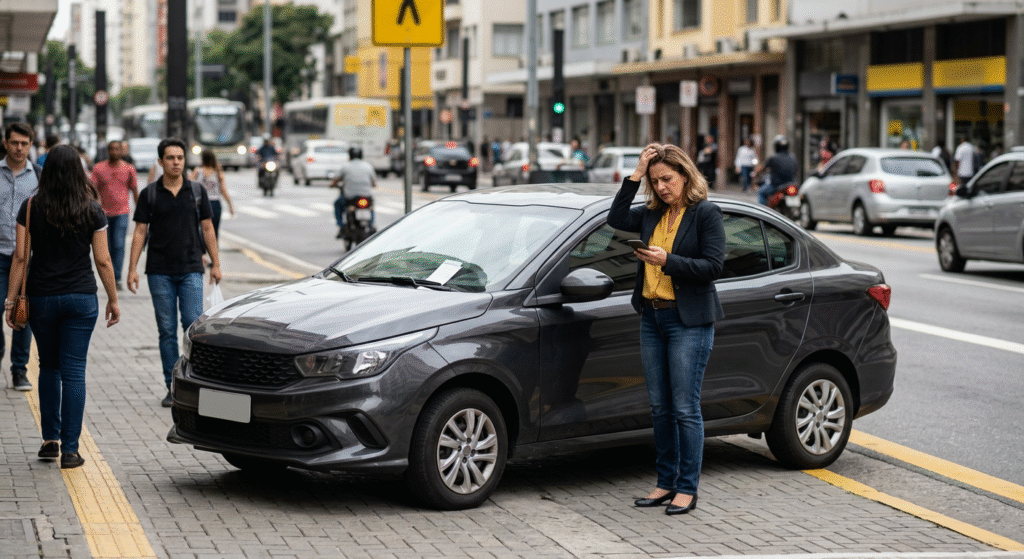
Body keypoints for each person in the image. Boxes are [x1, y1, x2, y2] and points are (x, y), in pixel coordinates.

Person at [606, 143, 725, 516]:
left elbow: (713, 266)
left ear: (686, 176)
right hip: (652, 317)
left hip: (687, 321)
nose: (660, 187)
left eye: (667, 179)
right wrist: (637, 172)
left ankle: (687, 489)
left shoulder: (706, 213)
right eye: (655, 181)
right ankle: (665, 482)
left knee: (685, 408)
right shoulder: (650, 213)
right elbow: (615, 216)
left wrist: (668, 260)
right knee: (660, 407)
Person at [4, 144, 120, 469]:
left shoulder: (30, 207)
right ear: (78, 171)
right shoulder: (92, 210)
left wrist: (11, 301)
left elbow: (21, 257)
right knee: (74, 372)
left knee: (49, 368)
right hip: (81, 300)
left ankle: (49, 440)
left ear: (48, 170)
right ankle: (70, 450)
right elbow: (104, 260)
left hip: (42, 298)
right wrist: (113, 298)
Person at [126, 138, 222, 407]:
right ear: (160, 162)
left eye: (180, 157)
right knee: (166, 331)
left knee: (192, 325)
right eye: (170, 158)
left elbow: (207, 228)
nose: (176, 162)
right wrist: (132, 269)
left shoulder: (197, 191)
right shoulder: (150, 194)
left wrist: (216, 263)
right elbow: (140, 232)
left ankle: (194, 382)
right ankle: (173, 385)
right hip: (159, 271)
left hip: (192, 268)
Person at [0, 123, 41, 391]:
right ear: (6, 143)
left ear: (30, 145)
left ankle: (19, 370)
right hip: (0, 255)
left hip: (27, 259)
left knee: (22, 313)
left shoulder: (39, 176)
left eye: (24, 144)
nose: (19, 148)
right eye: (14, 143)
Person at [91, 140, 140, 291]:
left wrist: (140, 211)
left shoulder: (129, 168)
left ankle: (117, 277)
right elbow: (92, 190)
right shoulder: (99, 168)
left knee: (119, 245)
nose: (114, 152)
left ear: (122, 151)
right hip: (103, 214)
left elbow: (134, 190)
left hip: (122, 213)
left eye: (117, 149)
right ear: (108, 151)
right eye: (111, 149)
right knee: (107, 247)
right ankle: (109, 276)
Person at [329, 146, 377, 239]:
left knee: (337, 204)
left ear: (350, 156)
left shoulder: (345, 166)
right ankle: (371, 225)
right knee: (370, 207)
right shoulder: (368, 166)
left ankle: (341, 226)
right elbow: (374, 183)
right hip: (366, 197)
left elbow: (336, 180)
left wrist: (333, 185)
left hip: (350, 198)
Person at [189, 149, 235, 240]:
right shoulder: (217, 172)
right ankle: (213, 252)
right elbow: (223, 190)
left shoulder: (197, 171)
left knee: (199, 231)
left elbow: (189, 186)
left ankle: (201, 252)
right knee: (213, 232)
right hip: (215, 203)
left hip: (200, 204)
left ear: (202, 159)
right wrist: (230, 205)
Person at [755, 135, 799, 206]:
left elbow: (761, 168)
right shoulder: (793, 157)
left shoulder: (773, 157)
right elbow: (796, 169)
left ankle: (761, 212)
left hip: (776, 186)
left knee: (761, 192)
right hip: (792, 184)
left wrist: (755, 173)